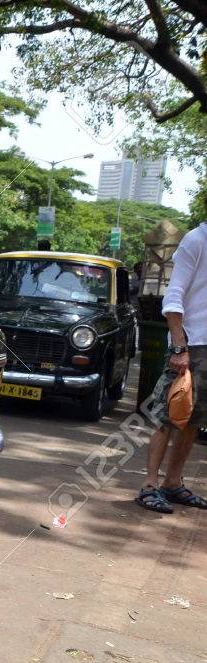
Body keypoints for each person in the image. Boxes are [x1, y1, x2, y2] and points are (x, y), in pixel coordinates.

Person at [137, 218, 207, 513]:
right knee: (167, 416)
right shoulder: (196, 240)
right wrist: (180, 347)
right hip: (191, 343)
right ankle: (150, 485)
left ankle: (173, 482)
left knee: (193, 419)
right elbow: (174, 294)